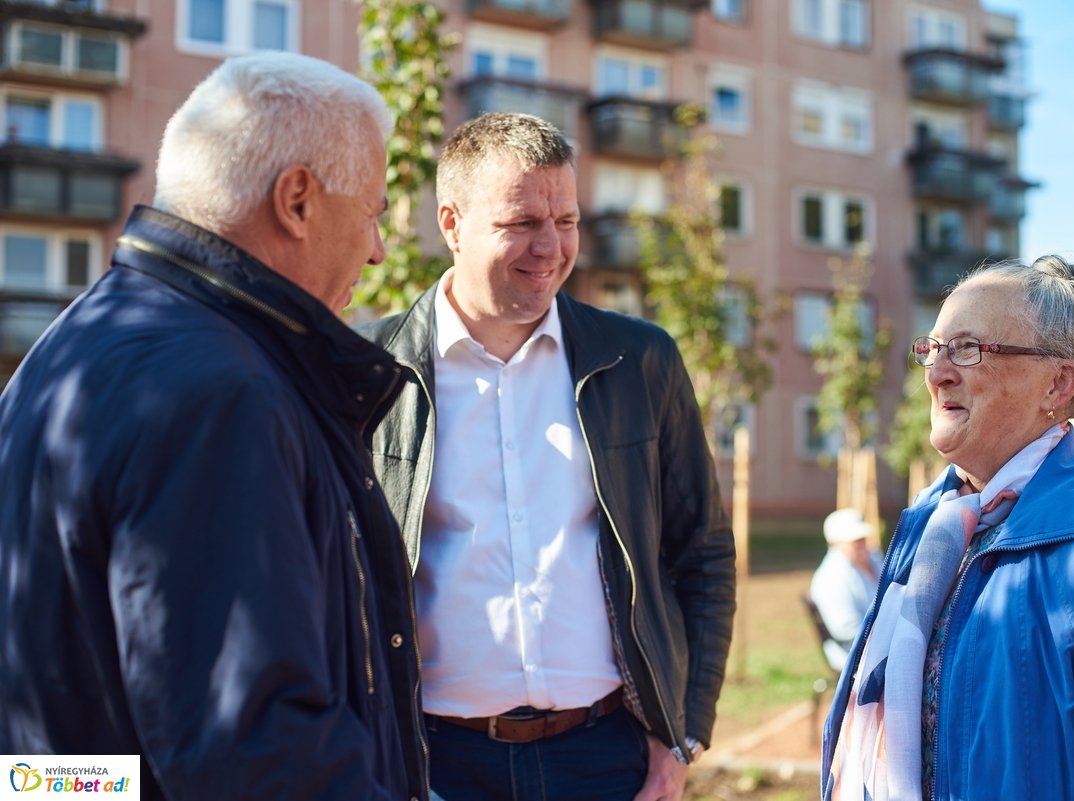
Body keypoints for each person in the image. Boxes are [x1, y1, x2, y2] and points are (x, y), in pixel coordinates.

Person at [0, 53, 428, 801]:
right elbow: (256, 751)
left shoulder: (76, 341)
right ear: (297, 199)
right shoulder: (219, 394)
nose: (378, 249)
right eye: (373, 211)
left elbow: (55, 758)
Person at [360, 111, 736, 801]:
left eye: (566, 220)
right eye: (522, 222)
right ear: (451, 223)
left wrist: (682, 736)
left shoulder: (640, 360)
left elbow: (702, 552)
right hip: (432, 762)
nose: (550, 246)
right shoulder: (368, 372)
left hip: (606, 758)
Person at [822, 255, 1074, 800]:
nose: (937, 372)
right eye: (932, 348)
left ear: (1057, 384)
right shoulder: (933, 525)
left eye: (968, 350)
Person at [808, 508, 882, 671]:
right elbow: (847, 631)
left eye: (863, 538)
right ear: (835, 543)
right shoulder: (832, 576)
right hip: (854, 651)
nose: (862, 544)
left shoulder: (873, 559)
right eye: (854, 540)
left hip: (878, 641)